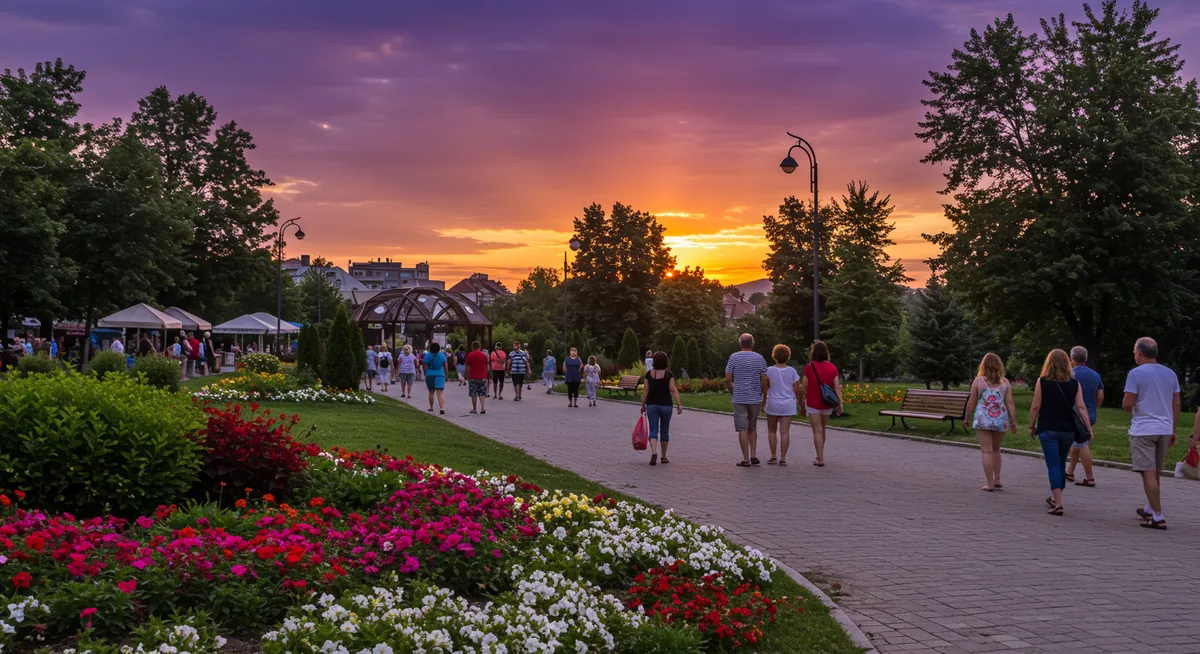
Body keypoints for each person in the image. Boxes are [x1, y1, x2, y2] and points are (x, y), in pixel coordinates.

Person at [1122, 337, 1180, 530]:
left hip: (1143, 429)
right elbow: (1176, 404)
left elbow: (1127, 404)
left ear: (1139, 352)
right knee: (1155, 472)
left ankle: (1158, 516)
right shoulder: (1170, 374)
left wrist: (1135, 407)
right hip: (1164, 428)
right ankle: (1150, 506)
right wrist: (1173, 429)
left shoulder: (1136, 374)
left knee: (1147, 472)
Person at [1028, 349, 1094, 517]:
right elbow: (1081, 407)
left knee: (1052, 465)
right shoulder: (1074, 384)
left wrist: (1031, 425)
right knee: (1060, 463)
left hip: (1047, 428)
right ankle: (1055, 497)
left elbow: (1036, 405)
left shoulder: (1042, 382)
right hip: (1068, 430)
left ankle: (1058, 503)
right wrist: (1088, 427)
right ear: (1067, 363)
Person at [964, 353, 1018, 491]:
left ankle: (990, 483)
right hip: (1000, 419)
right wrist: (1013, 421)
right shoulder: (1005, 382)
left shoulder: (978, 381)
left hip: (983, 419)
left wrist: (967, 417)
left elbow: (972, 401)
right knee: (996, 449)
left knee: (986, 451)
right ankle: (998, 478)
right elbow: (1010, 402)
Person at [726, 333, 769, 467]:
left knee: (742, 428)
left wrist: (733, 390)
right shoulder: (759, 358)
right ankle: (754, 455)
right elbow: (765, 378)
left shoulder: (734, 357)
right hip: (755, 397)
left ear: (740, 344)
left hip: (739, 397)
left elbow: (727, 378)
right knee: (752, 427)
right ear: (752, 344)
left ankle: (745, 459)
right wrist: (764, 395)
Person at [799, 340, 842, 467]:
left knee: (816, 430)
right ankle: (820, 455)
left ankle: (820, 458)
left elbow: (804, 387)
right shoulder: (832, 367)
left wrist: (801, 402)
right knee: (822, 428)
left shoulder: (809, 367)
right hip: (827, 403)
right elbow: (837, 387)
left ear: (813, 353)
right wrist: (840, 403)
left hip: (813, 403)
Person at [1066, 346, 1104, 487]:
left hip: (1076, 414)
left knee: (1082, 443)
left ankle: (1090, 478)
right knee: (1077, 443)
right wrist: (1095, 408)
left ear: (1072, 359)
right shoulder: (1095, 375)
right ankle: (1069, 472)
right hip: (1091, 414)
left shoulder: (1070, 374)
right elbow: (1100, 395)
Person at [641, 351, 684, 465]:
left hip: (652, 405)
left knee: (653, 430)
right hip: (666, 405)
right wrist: (679, 404)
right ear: (666, 361)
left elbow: (645, 391)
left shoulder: (649, 374)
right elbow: (673, 390)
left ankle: (654, 452)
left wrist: (642, 405)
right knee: (665, 430)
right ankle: (664, 456)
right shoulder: (669, 374)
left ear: (654, 361)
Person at [763, 344, 801, 466]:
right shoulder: (792, 371)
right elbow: (797, 389)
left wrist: (763, 401)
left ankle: (773, 455)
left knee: (772, 431)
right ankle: (783, 457)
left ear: (774, 356)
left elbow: (765, 386)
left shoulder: (769, 370)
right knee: (785, 432)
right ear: (788, 356)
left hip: (773, 402)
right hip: (788, 403)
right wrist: (801, 404)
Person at [423, 342, 448, 414]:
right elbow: (445, 366)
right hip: (440, 374)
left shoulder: (428, 355)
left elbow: (425, 365)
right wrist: (446, 376)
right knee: (439, 392)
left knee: (431, 392)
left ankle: (431, 407)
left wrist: (426, 373)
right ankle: (442, 408)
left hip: (430, 374)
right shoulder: (442, 355)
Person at [465, 341, 489, 414]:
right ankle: (482, 408)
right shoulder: (484, 355)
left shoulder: (470, 355)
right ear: (479, 347)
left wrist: (465, 376)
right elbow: (487, 367)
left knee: (473, 393)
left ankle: (474, 408)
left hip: (473, 376)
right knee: (482, 393)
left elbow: (467, 367)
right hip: (482, 376)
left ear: (472, 347)